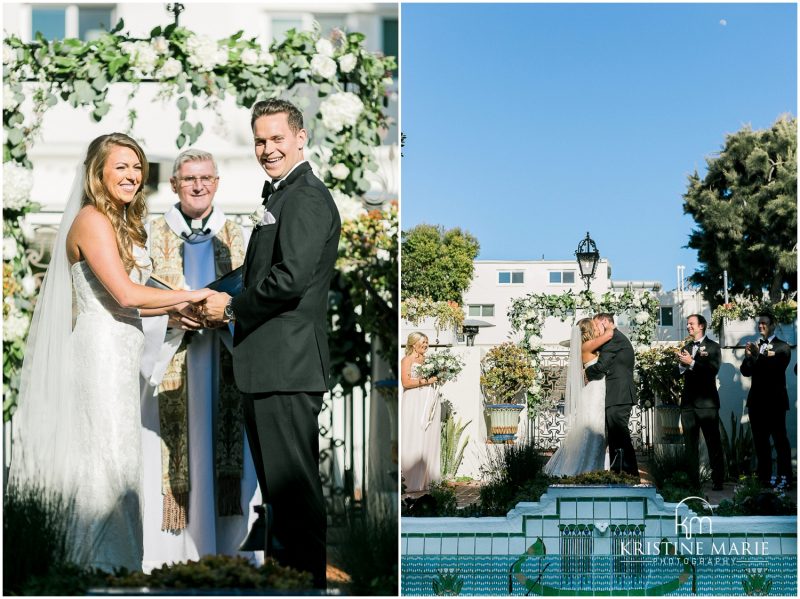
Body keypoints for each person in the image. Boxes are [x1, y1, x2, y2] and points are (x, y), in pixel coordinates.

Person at [8, 133, 213, 572]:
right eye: (121, 166)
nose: (132, 175)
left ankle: (117, 565)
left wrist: (175, 316)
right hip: (99, 356)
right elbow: (123, 294)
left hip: (122, 356)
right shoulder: (92, 220)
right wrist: (188, 297)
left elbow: (131, 303)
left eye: (137, 166)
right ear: (97, 172)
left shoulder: (120, 222)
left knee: (122, 463)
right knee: (105, 464)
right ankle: (98, 567)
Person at [202, 99, 341, 588]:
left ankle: (305, 590)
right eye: (260, 140)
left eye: (277, 138)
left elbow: (289, 280)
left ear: (300, 138)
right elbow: (256, 274)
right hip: (268, 367)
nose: (267, 149)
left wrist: (233, 310)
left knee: (294, 498)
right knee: (281, 502)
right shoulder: (280, 196)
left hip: (287, 366)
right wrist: (204, 298)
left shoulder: (304, 197)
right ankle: (287, 588)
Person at [139, 149, 261, 570]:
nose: (198, 185)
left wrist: (224, 316)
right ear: (173, 184)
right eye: (189, 178)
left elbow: (254, 296)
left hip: (224, 360)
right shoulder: (151, 235)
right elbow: (136, 302)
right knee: (174, 454)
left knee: (228, 462)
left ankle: (230, 558)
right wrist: (172, 317)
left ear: (217, 182)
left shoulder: (239, 236)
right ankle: (171, 560)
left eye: (206, 178)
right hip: (173, 362)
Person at [544, 318, 614, 476]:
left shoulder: (588, 346)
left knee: (596, 430)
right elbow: (609, 335)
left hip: (597, 391)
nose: (597, 328)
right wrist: (608, 325)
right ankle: (585, 469)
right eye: (595, 326)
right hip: (594, 393)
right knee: (592, 429)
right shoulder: (587, 346)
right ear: (589, 330)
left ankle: (595, 468)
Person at [740, 312, 792, 488]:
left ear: (773, 325)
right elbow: (746, 372)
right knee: (760, 443)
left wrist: (758, 355)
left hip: (775, 403)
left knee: (780, 441)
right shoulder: (755, 346)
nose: (761, 326)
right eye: (759, 323)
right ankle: (765, 478)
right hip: (757, 403)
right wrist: (749, 357)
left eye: (764, 323)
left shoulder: (783, 347)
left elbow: (776, 368)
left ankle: (785, 477)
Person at [585, 313, 640, 479]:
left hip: (619, 395)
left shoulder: (613, 339)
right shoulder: (615, 338)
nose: (595, 330)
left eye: (596, 326)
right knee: (617, 439)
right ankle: (619, 474)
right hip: (617, 395)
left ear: (605, 322)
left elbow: (601, 366)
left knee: (621, 437)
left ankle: (630, 475)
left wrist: (586, 372)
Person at [677, 314, 724, 490]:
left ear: (701, 326)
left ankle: (718, 480)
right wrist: (682, 364)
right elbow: (680, 373)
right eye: (687, 324)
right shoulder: (686, 347)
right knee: (690, 445)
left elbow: (712, 370)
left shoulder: (713, 347)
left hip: (707, 404)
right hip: (688, 404)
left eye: (691, 324)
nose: (688, 327)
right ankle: (693, 483)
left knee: (713, 443)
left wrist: (692, 363)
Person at [400, 332, 441, 492]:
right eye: (423, 342)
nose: (425, 345)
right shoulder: (407, 360)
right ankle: (411, 480)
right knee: (414, 435)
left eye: (427, 342)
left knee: (430, 436)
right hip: (414, 400)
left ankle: (429, 479)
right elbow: (405, 382)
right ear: (413, 344)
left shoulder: (429, 361)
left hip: (429, 399)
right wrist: (426, 381)